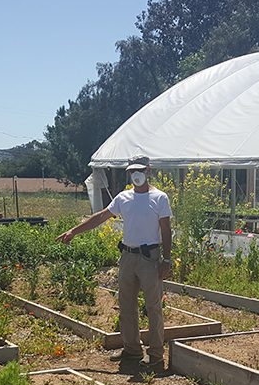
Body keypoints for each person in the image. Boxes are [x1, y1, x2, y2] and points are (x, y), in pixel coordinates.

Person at [56, 155, 172, 365]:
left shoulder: (160, 198)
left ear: (148, 170)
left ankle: (156, 355)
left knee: (153, 307)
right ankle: (132, 350)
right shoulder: (123, 198)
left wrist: (167, 259)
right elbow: (100, 216)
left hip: (150, 258)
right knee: (126, 305)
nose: (136, 174)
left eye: (140, 170)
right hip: (128, 257)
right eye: (132, 171)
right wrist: (74, 231)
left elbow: (166, 229)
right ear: (129, 173)